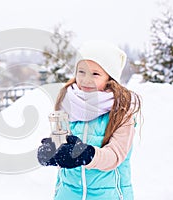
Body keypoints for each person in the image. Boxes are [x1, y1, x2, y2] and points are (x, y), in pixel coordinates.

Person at [37, 40, 141, 200]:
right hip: (68, 194)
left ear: (109, 78)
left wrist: (85, 154)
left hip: (109, 195)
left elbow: (115, 156)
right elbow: (63, 149)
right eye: (81, 71)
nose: (86, 80)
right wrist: (53, 153)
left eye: (95, 74)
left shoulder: (121, 111)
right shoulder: (66, 102)